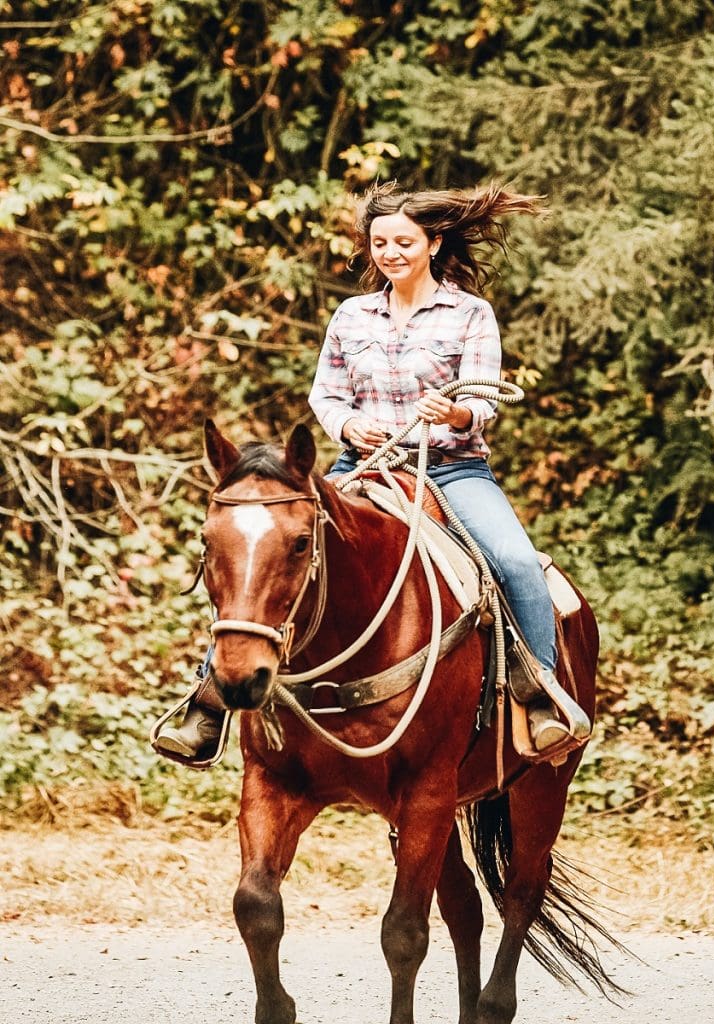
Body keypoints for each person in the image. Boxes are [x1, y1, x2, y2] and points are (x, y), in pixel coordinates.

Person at [154, 181, 590, 765]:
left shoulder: (470, 314)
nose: (390, 252)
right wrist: (349, 427)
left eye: (404, 241)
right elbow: (326, 395)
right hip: (362, 465)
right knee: (269, 547)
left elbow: (483, 400)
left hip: (452, 470)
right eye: (380, 242)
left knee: (513, 561)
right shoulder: (352, 315)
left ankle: (538, 695)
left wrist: (455, 411)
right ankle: (208, 702)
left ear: (433, 244)